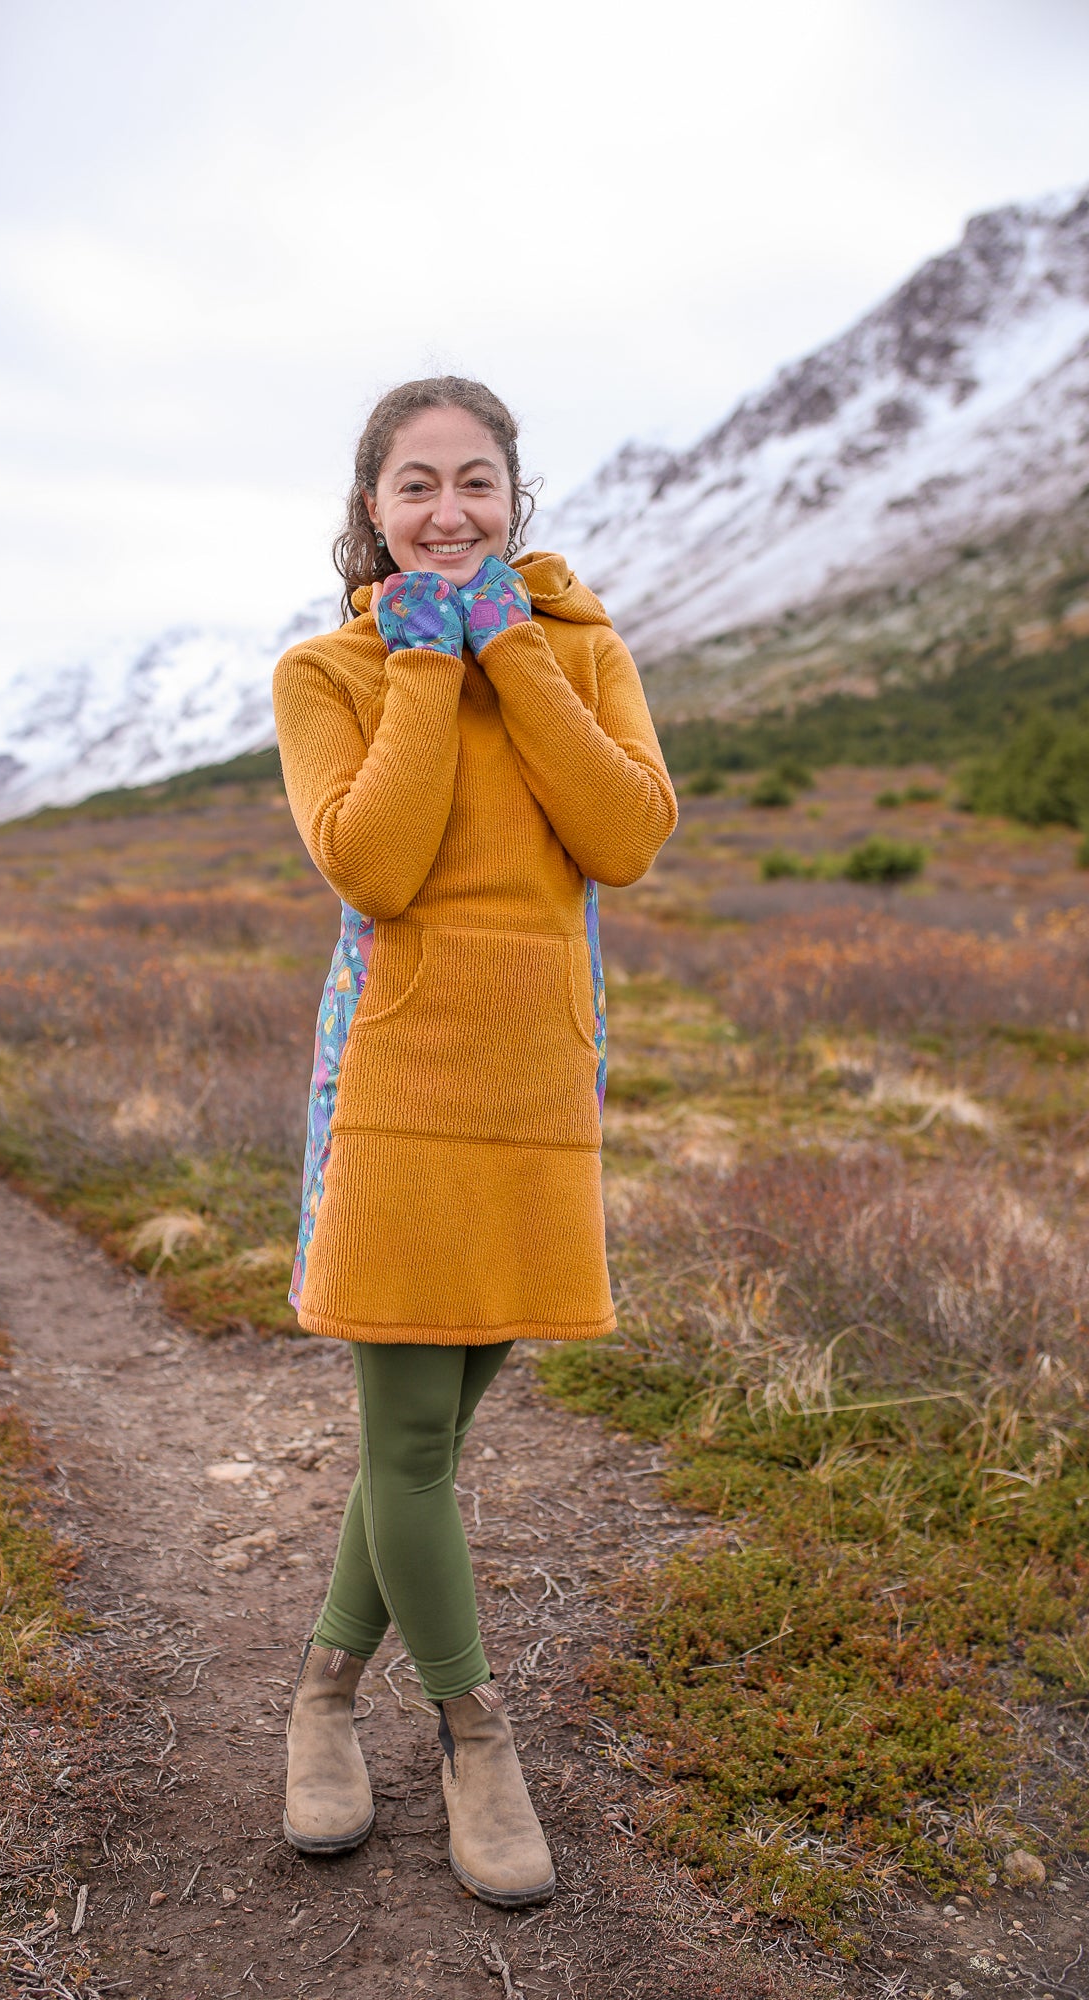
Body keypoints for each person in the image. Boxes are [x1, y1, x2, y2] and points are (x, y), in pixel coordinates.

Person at [271, 376, 677, 1908]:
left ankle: (321, 1694)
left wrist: (511, 646)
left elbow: (623, 838)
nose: (448, 511)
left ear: (515, 496)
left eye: (475, 482)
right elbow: (373, 865)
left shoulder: (581, 646)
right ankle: (473, 1737)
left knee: (430, 1436)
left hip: (536, 1087)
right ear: (371, 508)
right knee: (410, 1441)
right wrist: (428, 665)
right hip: (397, 1075)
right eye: (416, 485)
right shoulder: (327, 670)